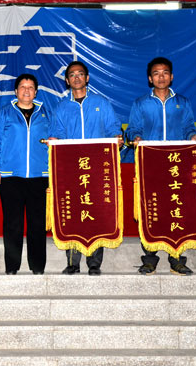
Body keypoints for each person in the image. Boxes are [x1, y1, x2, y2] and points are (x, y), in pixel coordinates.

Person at [124, 57, 196, 276]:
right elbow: (132, 129)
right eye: (156, 73)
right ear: (150, 78)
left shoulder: (183, 102)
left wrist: (194, 136)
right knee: (150, 209)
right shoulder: (140, 103)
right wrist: (136, 137)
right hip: (149, 162)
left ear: (172, 76)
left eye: (165, 72)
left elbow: (188, 127)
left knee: (177, 208)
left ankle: (177, 259)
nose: (161, 77)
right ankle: (150, 259)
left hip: (177, 163)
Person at [49, 61, 122, 275]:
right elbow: (57, 133)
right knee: (72, 211)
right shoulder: (61, 107)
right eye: (72, 75)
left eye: (80, 74)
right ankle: (73, 262)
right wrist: (54, 140)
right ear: (67, 80)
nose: (77, 78)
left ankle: (94, 263)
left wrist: (117, 137)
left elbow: (113, 128)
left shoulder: (101, 103)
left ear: (87, 78)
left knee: (95, 212)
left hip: (97, 168)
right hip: (71, 169)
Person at [0, 74, 51, 275]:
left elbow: (55, 143)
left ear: (36, 92)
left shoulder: (46, 115)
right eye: (22, 87)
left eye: (31, 87)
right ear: (15, 91)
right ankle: (12, 267)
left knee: (37, 224)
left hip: (39, 176)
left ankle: (38, 267)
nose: (26, 90)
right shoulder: (3, 114)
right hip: (11, 175)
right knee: (12, 224)